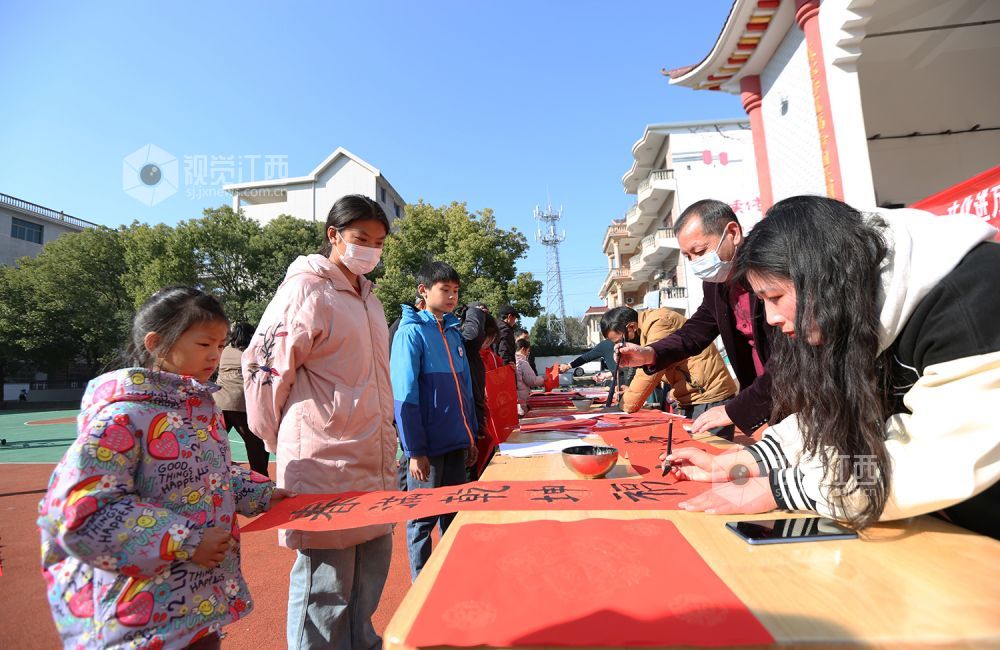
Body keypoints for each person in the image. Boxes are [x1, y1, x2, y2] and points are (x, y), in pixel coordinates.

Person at [664, 195, 1000, 539]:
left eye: (775, 298)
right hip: (935, 526)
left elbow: (931, 463)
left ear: (823, 278)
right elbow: (828, 413)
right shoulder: (854, 302)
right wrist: (741, 463)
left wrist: (779, 489)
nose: (772, 318)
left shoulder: (972, 304)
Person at [38, 286, 288, 650]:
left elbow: (207, 473)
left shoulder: (196, 409)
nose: (216, 356)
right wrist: (185, 540)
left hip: (193, 602)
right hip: (138, 616)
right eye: (205, 345)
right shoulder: (122, 416)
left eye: (220, 346)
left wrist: (260, 491)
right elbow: (81, 512)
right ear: (156, 343)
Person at [244, 194, 397, 650]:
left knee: (369, 580)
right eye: (360, 239)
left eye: (379, 241)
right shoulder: (306, 289)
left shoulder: (369, 299)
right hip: (323, 461)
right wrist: (286, 437)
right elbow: (264, 370)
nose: (370, 248)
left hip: (373, 457)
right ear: (334, 236)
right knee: (325, 590)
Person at [616, 200, 773, 436]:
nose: (696, 264)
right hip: (766, 397)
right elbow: (694, 332)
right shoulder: (715, 285)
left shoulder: (771, 269)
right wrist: (651, 354)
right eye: (688, 257)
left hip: (791, 392)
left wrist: (735, 409)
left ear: (732, 233)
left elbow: (791, 361)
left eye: (699, 252)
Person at [391, 261, 478, 580]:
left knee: (453, 515)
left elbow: (465, 388)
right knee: (422, 521)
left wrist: (470, 434)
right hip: (427, 448)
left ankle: (451, 579)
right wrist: (414, 450)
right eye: (445, 290)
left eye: (456, 291)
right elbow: (405, 396)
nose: (452, 296)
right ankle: (422, 586)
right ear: (423, 291)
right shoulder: (410, 333)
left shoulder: (453, 332)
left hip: (456, 441)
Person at [603, 307, 738, 436]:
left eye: (621, 341)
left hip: (709, 396)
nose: (621, 346)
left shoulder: (659, 322)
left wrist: (623, 408)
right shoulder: (647, 329)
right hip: (695, 395)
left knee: (709, 452)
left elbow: (650, 372)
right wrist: (629, 391)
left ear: (631, 327)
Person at [216, 321, 270, 476]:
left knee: (214, 443)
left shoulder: (225, 350)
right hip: (240, 404)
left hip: (219, 401)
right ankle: (260, 479)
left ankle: (212, 474)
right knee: (256, 446)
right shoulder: (250, 352)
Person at [458, 302, 491, 477]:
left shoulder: (474, 357)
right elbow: (473, 394)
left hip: (472, 423)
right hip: (467, 426)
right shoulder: (467, 354)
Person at [560, 337, 633, 407]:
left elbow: (626, 369)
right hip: (623, 387)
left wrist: (568, 366)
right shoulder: (609, 345)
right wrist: (606, 375)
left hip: (630, 388)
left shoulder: (609, 344)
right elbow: (620, 370)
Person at [514, 338, 546, 415]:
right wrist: (544, 379)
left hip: (515, 398)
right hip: (523, 399)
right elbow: (531, 381)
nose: (528, 353)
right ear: (523, 349)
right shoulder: (523, 363)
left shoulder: (513, 361)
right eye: (528, 351)